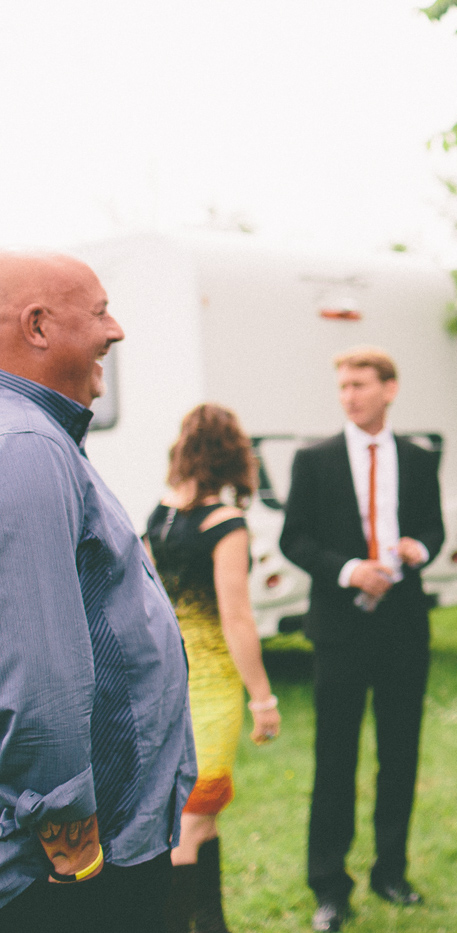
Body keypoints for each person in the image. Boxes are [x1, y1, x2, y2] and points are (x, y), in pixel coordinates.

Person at [0, 251, 196, 932]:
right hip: (84, 855)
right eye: (100, 312)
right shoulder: (24, 442)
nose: (116, 331)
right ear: (38, 325)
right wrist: (66, 822)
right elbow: (39, 658)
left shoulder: (36, 432)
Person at [279, 346, 444, 932]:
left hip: (403, 628)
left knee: (399, 756)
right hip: (340, 631)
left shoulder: (419, 458)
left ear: (389, 389)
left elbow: (433, 527)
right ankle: (329, 886)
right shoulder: (314, 460)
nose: (349, 394)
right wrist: (350, 569)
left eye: (360, 384)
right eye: (343, 385)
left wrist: (417, 550)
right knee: (335, 759)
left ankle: (391, 871)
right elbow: (292, 540)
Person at [145, 403, 282, 932]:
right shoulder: (225, 524)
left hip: (163, 678)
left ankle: (214, 924)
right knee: (193, 819)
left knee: (203, 812)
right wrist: (263, 697)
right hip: (211, 687)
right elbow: (237, 618)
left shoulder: (161, 514)